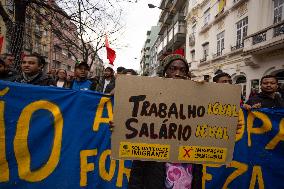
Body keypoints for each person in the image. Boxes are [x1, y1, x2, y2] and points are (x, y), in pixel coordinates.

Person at [128, 54, 202, 189]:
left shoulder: (196, 99)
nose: (178, 73)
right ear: (165, 72)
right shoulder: (150, 97)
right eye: (172, 69)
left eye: (182, 70)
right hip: (154, 171)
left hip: (186, 171)